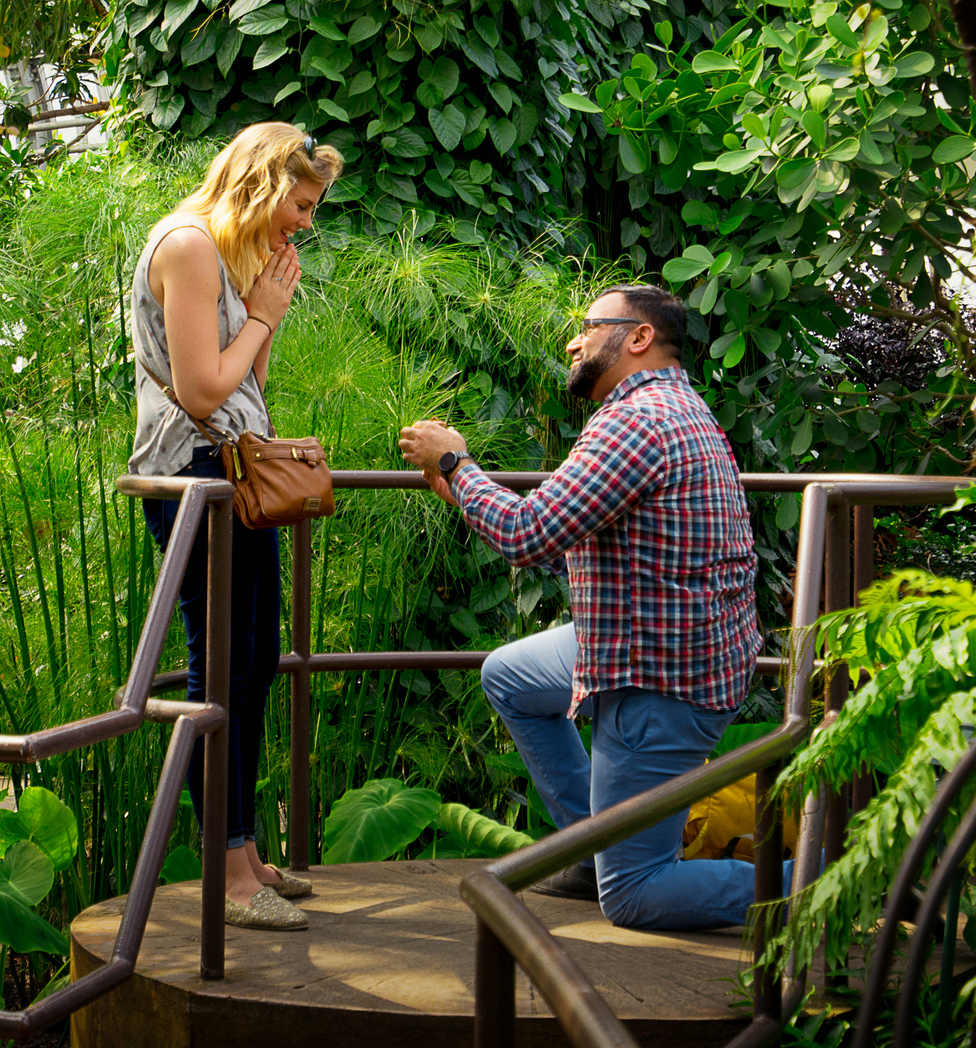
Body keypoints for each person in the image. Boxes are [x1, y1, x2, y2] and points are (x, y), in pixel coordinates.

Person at [396, 283, 778, 931]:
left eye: (589, 325)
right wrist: (466, 493)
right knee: (510, 675)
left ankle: (822, 886)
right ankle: (592, 841)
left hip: (660, 675)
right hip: (658, 636)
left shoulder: (638, 422)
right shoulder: (668, 407)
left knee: (633, 897)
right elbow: (568, 540)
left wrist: (457, 464)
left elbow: (526, 534)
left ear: (638, 337)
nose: (573, 340)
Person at [131, 121, 343, 932]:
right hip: (195, 480)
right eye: (300, 203)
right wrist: (259, 311)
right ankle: (224, 872)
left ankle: (243, 851)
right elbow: (199, 393)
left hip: (233, 476)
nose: (305, 222)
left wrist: (267, 311)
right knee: (220, 669)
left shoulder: (225, 256)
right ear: (260, 183)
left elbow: (247, 382)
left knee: (252, 664)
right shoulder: (186, 245)